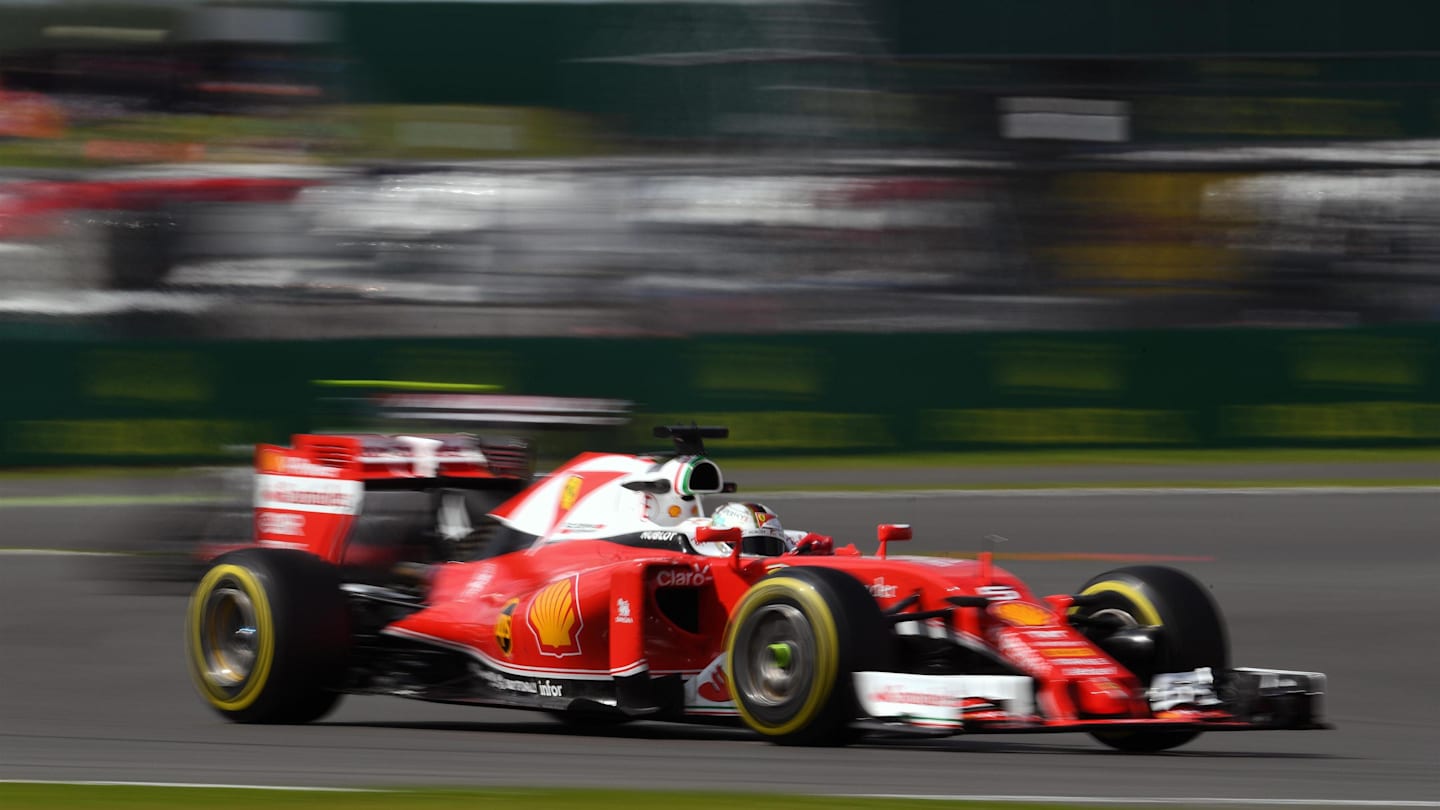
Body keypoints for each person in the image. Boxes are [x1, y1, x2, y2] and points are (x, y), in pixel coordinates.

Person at [692, 501, 831, 557]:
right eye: (753, 544)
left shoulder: (792, 543)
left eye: (769, 545)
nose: (761, 554)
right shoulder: (695, 541)